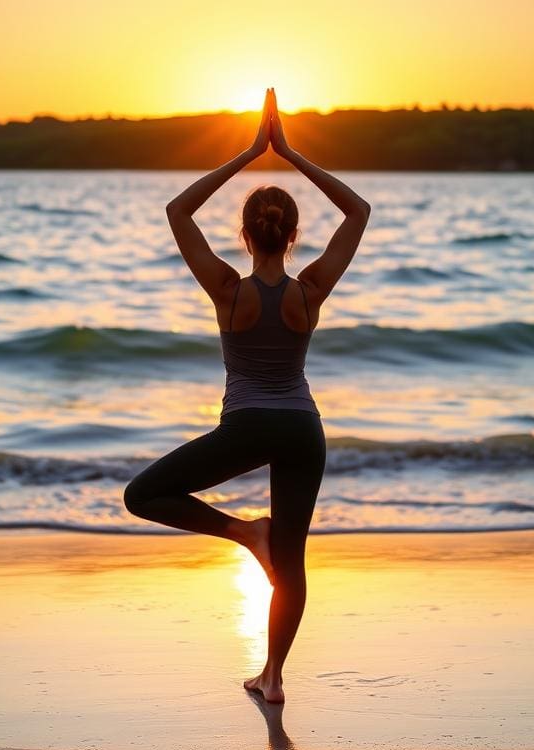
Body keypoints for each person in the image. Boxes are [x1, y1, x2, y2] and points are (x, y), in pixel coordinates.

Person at [123, 88, 370, 703]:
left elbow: (179, 213)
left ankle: (242, 534)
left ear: (244, 233)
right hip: (302, 431)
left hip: (248, 427)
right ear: (292, 236)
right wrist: (289, 153)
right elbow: (359, 212)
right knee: (292, 560)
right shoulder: (308, 290)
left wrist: (245, 153)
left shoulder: (227, 291)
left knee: (143, 494)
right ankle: (274, 677)